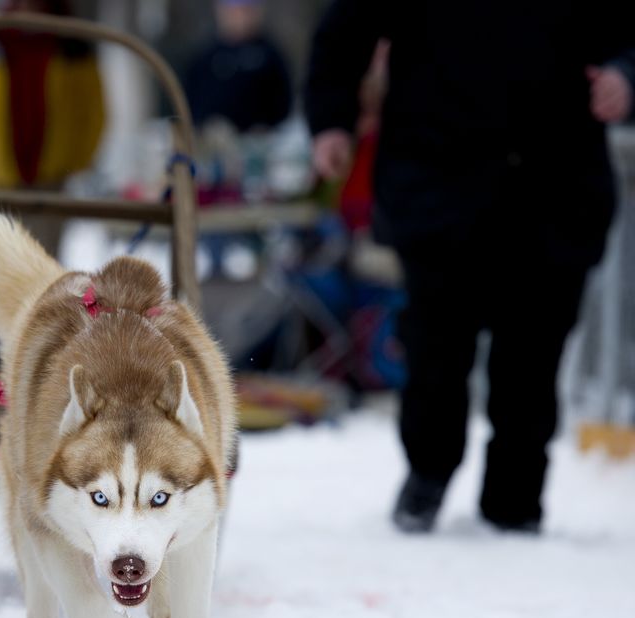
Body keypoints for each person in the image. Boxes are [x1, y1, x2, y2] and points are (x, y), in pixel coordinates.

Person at [305, 1, 635, 534]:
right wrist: (332, 122)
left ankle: (515, 500)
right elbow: (346, 29)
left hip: (554, 183)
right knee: (436, 347)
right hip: (438, 178)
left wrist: (626, 75)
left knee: (533, 355)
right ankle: (428, 474)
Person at [182, 0, 293, 134]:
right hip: (213, 140)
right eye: (233, 11)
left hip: (261, 140)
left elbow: (284, 101)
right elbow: (189, 101)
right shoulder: (204, 57)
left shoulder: (269, 55)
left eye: (245, 10)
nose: (239, 17)